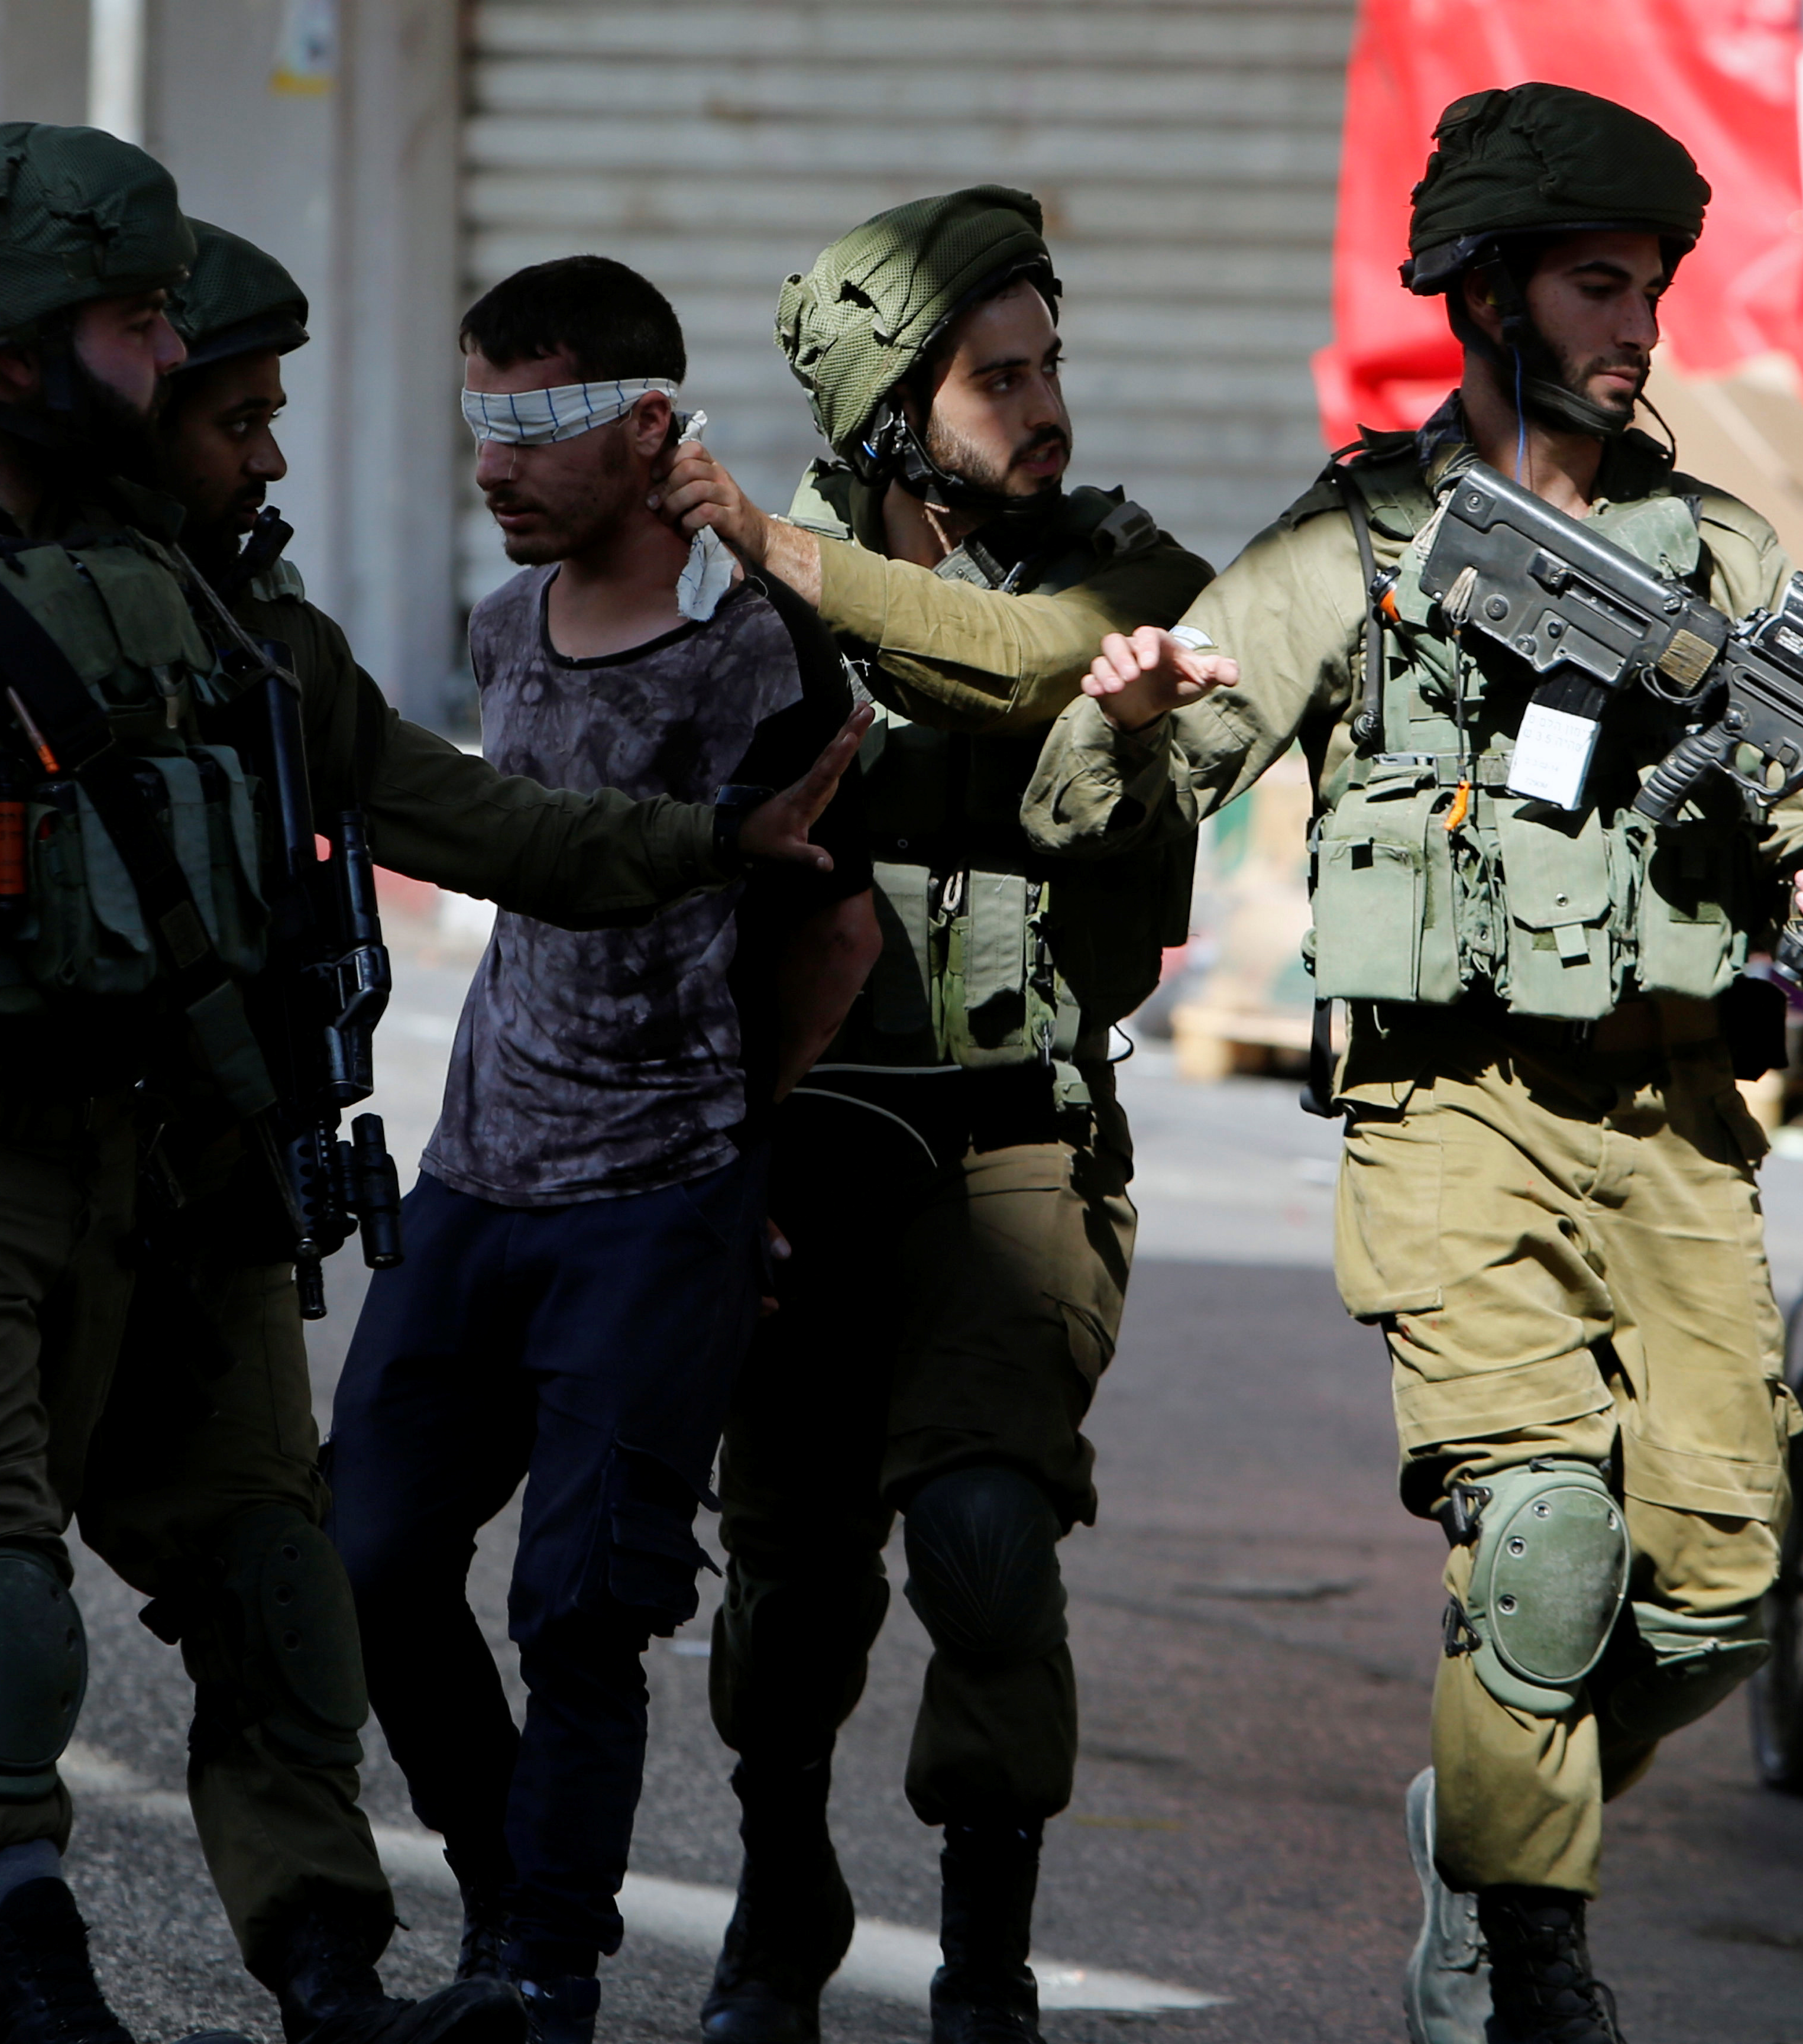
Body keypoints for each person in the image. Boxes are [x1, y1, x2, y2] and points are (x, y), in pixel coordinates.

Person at [0, 127, 856, 2044]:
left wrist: (709, 846)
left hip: (178, 1164)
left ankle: (327, 1979)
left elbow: (442, 805)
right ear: (9, 346)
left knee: (276, 1593)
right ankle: (43, 1998)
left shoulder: (166, 570)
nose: (175, 364)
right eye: (141, 324)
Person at [1016, 85, 1803, 2044]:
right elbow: (1121, 792)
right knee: (1541, 1537)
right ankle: (1526, 1954)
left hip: (1676, 1119)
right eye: (1596, 285)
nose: (1638, 325)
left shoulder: (1719, 552)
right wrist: (1130, 713)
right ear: (1486, 293)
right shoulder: (1356, 543)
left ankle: (1489, 1805)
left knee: (1714, 1588)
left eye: (1651, 286)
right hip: (1449, 1114)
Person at [649, 188, 1211, 2044]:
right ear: (891, 413)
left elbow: (1014, 663)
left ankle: (985, 1964)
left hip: (1013, 1131)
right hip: (801, 1134)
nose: (1044, 408)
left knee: (980, 1531)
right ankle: (777, 1901)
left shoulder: (1114, 573)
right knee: (790, 1574)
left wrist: (774, 548)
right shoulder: (720, 593)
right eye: (997, 379)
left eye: (1049, 366)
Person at [326, 256, 878, 2044]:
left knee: (580, 1607)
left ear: (649, 428)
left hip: (657, 1205)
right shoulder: (501, 629)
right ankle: (506, 1902)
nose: (494, 466)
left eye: (539, 428)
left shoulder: (762, 653)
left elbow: (837, 934)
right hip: (477, 1177)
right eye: (477, 424)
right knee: (366, 1561)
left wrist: (740, 1156)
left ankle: (543, 1975)